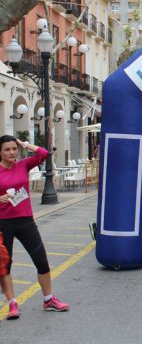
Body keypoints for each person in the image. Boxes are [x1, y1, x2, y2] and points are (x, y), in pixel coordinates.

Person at [0, 135, 70, 319]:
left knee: (41, 261)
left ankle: (48, 300)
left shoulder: (22, 165)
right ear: (0, 152)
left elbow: (44, 153)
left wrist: (24, 144)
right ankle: (12, 304)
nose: (12, 152)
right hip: (3, 223)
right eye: (7, 149)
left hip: (25, 221)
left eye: (14, 148)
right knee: (5, 266)